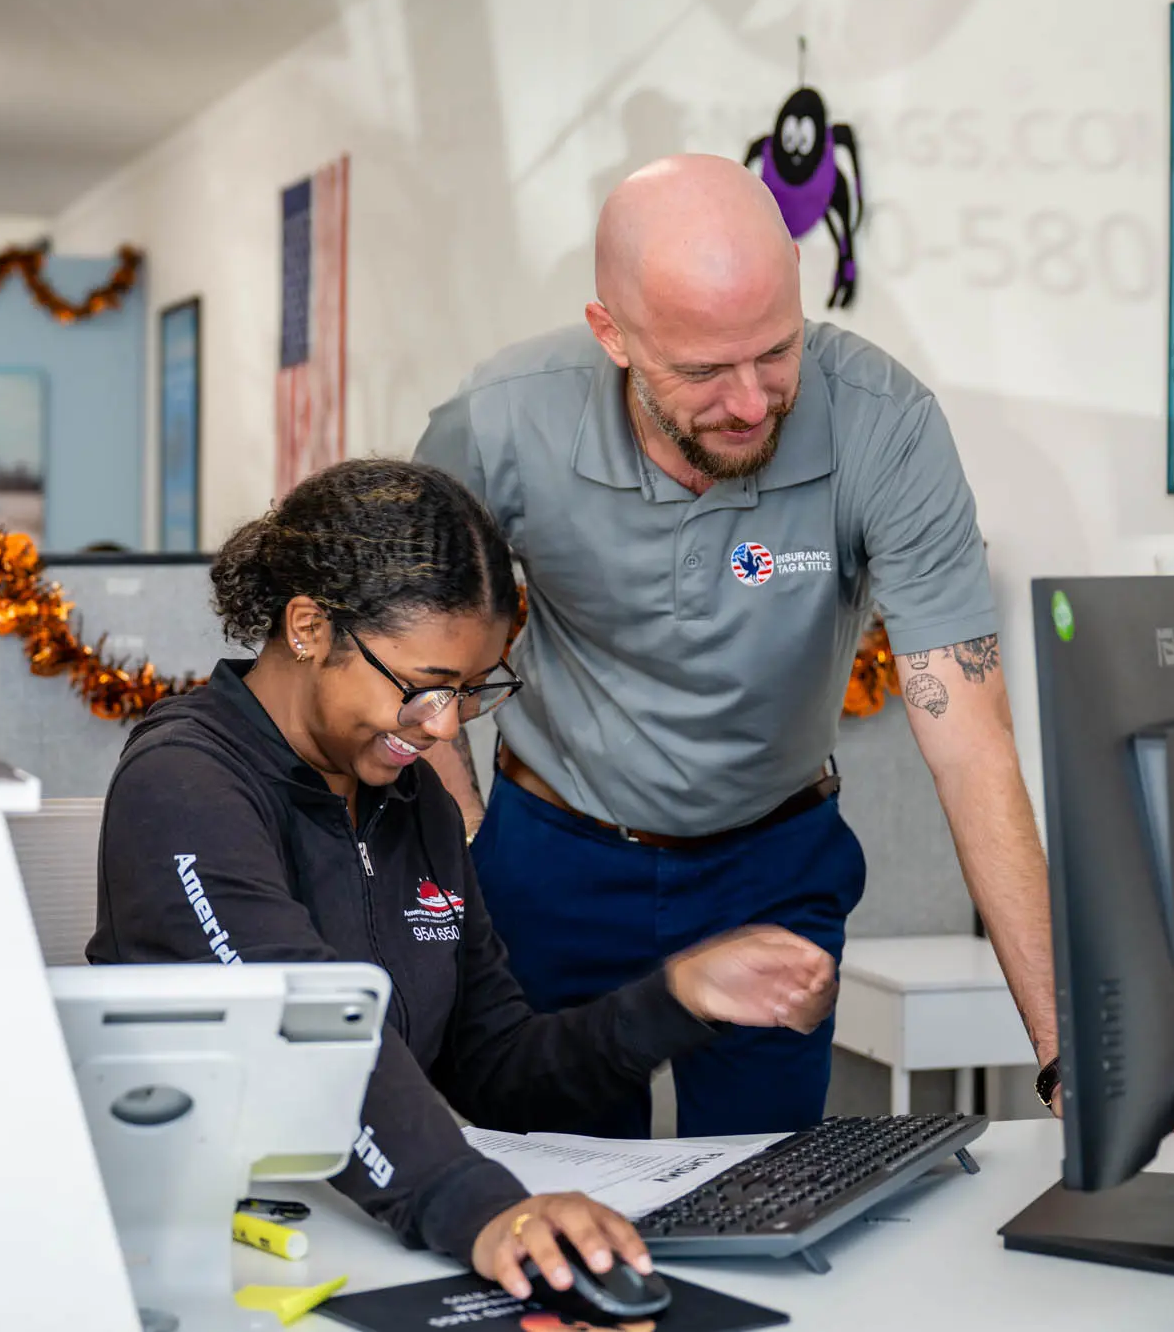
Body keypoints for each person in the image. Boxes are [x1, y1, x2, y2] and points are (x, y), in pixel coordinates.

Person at [412, 154, 1059, 1140]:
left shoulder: (883, 426)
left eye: (776, 351)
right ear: (612, 335)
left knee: (765, 1190)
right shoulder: (499, 423)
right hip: (552, 860)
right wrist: (466, 847)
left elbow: (971, 743)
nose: (752, 403)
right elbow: (404, 662)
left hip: (771, 863)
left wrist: (1066, 1056)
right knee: (553, 1194)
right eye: (704, 371)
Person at [88, 459, 838, 1297]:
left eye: (474, 692)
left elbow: (499, 1067)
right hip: (205, 1251)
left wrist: (676, 998)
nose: (443, 727)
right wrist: (476, 1207)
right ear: (308, 626)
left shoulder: (412, 805)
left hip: (355, 1230)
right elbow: (300, 1033)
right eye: (424, 688)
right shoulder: (184, 782)